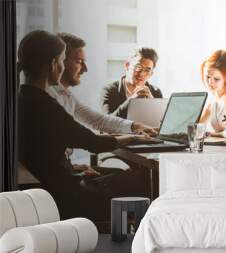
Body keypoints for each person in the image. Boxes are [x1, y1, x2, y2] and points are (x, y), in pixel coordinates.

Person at [17, 30, 145, 224]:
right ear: (53, 64)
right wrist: (131, 138)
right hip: (66, 194)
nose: (83, 68)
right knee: (140, 182)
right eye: (61, 61)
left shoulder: (23, 98)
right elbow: (90, 141)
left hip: (55, 185)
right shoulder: (46, 104)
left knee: (126, 178)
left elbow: (44, 153)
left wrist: (72, 167)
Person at [47, 33, 156, 136]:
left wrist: (137, 127)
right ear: (58, 62)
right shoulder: (48, 97)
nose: (85, 69)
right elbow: (82, 136)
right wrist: (133, 134)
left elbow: (100, 121)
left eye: (147, 70)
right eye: (79, 61)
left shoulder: (67, 97)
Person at [102, 47, 162, 119]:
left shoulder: (156, 92)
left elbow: (162, 123)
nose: (141, 74)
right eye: (138, 67)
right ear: (127, 66)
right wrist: (131, 101)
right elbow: (106, 124)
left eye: (147, 70)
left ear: (151, 74)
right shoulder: (109, 90)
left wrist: (152, 103)